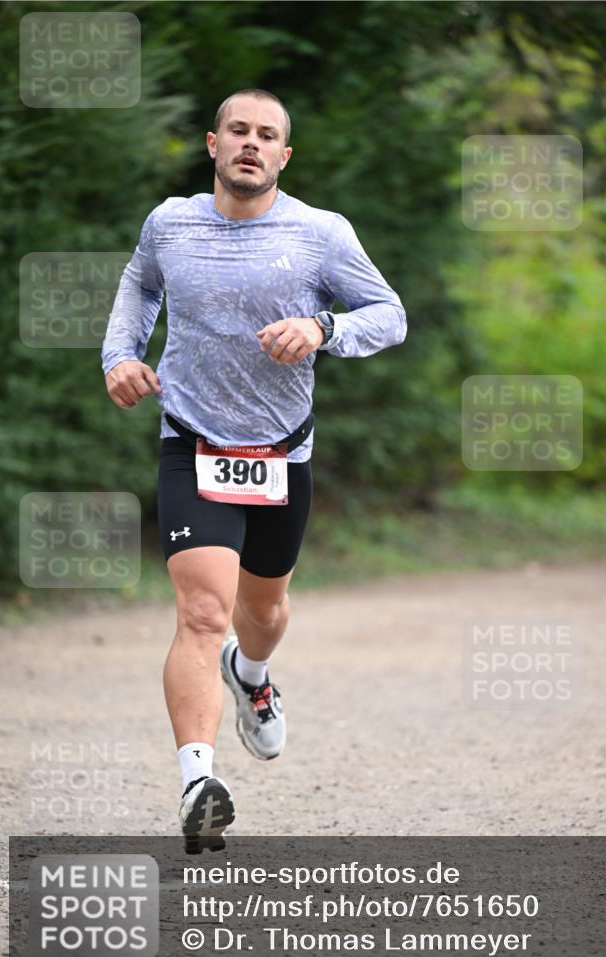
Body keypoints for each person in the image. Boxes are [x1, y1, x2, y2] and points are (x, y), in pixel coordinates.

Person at [101, 88, 407, 848]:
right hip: (191, 441)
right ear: (213, 143)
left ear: (283, 155)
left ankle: (253, 674)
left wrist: (321, 325)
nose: (250, 143)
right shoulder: (169, 223)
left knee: (262, 614)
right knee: (203, 612)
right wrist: (119, 356)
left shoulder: (319, 234)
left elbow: (389, 314)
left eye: (266, 135)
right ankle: (197, 780)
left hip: (280, 450)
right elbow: (139, 285)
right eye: (237, 130)